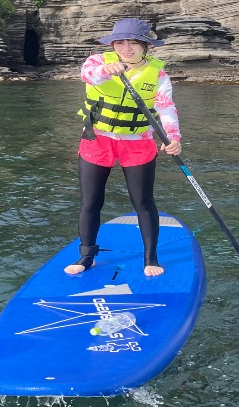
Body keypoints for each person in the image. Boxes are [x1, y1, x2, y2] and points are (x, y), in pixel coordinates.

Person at [66, 18, 182, 277]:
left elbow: (166, 108)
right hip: (97, 140)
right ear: (113, 44)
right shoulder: (97, 62)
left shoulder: (159, 76)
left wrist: (173, 137)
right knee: (90, 201)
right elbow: (88, 76)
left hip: (137, 143)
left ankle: (151, 259)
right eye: (120, 42)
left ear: (145, 46)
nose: (126, 48)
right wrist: (107, 70)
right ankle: (86, 256)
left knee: (143, 202)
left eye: (133, 43)